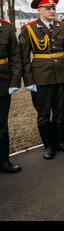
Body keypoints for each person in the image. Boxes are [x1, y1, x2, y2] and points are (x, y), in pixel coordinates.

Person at [19, 0, 64, 160]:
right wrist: (28, 80)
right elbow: (24, 59)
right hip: (41, 78)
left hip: (61, 75)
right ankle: (48, 146)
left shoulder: (61, 26)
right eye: (48, 8)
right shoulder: (28, 29)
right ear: (39, 10)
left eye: (53, 7)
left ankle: (60, 142)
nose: (52, 11)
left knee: (60, 112)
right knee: (44, 114)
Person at [0, 18, 21, 173]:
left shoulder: (7, 28)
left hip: (2, 82)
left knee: (2, 124)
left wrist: (14, 81)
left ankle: (4, 161)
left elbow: (15, 57)